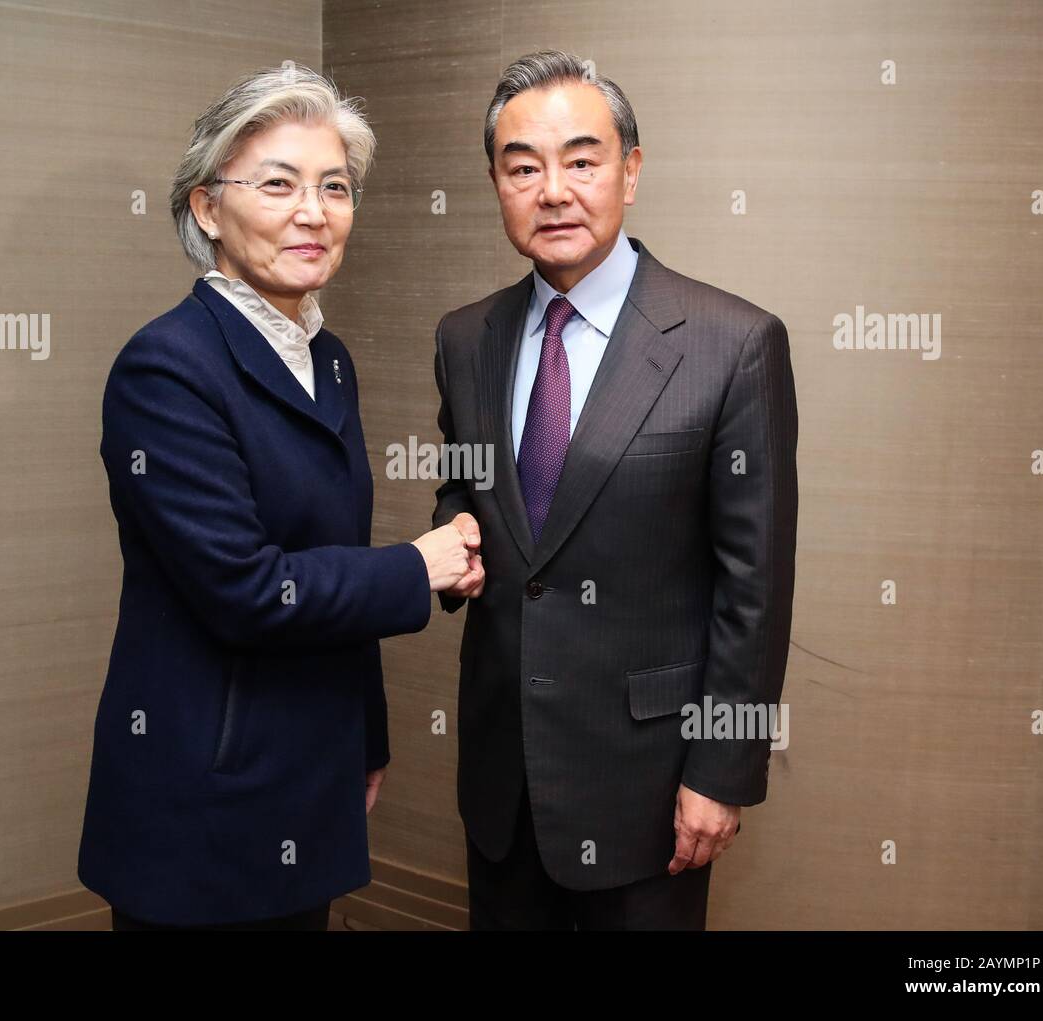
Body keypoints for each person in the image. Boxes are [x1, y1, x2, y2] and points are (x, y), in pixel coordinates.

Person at [77, 64, 475, 931]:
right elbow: (246, 589)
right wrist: (418, 565)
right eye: (279, 183)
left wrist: (363, 736)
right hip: (203, 791)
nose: (313, 211)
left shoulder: (325, 356)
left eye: (335, 187)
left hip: (308, 769)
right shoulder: (167, 368)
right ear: (206, 209)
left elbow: (328, 548)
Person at [432, 50, 799, 930]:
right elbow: (466, 487)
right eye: (523, 167)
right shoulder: (465, 336)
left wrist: (721, 770)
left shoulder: (733, 344)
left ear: (630, 172)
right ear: (496, 183)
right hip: (503, 777)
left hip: (650, 784)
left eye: (582, 160)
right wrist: (457, 535)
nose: (553, 189)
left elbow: (756, 587)